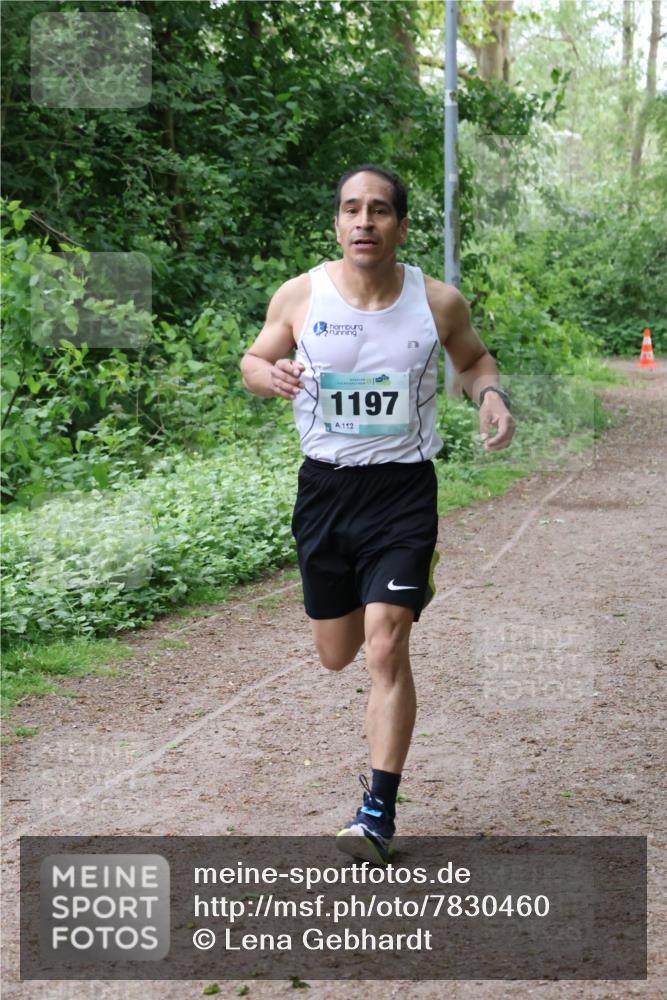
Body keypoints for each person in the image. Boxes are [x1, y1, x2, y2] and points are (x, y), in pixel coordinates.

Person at [240, 164, 515, 864]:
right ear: (337, 222)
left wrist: (488, 396)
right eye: (351, 210)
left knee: (387, 643)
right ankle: (367, 604)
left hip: (401, 493)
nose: (364, 221)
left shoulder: (436, 302)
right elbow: (253, 357)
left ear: (399, 224)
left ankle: (377, 810)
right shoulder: (301, 295)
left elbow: (474, 359)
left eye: (379, 211)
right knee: (337, 654)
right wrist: (266, 373)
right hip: (325, 491)